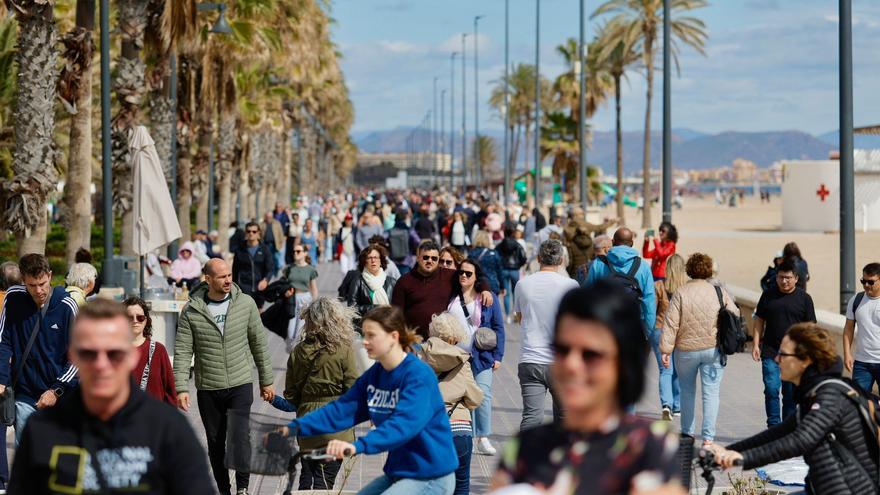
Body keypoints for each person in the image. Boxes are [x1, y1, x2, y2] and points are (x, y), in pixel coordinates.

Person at [492, 282, 683, 495]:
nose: (571, 365)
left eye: (590, 354)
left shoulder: (649, 447)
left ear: (623, 364)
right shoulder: (525, 447)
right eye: (562, 350)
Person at [8, 299, 214, 495]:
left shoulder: (168, 430)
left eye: (114, 353)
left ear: (131, 356)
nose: (101, 364)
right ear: (73, 356)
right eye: (89, 353)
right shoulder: (42, 430)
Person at [282, 306, 458, 495]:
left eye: (371, 335)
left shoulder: (418, 376)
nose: (364, 342)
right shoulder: (376, 375)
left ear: (394, 336)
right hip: (398, 473)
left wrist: (356, 446)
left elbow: (403, 426)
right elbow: (341, 410)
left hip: (430, 476)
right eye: (364, 335)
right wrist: (295, 428)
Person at [709, 324, 879, 494]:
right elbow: (776, 434)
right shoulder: (813, 394)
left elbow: (801, 439)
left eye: (783, 354)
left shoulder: (830, 395)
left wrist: (744, 459)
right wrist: (729, 451)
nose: (777, 359)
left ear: (805, 360)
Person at [173, 259, 275, 495]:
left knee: (240, 437)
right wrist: (181, 388)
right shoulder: (191, 310)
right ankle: (224, 490)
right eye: (222, 277)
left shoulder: (245, 303)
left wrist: (266, 379)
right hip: (209, 386)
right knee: (216, 443)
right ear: (207, 279)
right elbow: (183, 351)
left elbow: (259, 343)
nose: (228, 280)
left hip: (240, 382)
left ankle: (243, 488)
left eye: (229, 275)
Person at [272, 297, 359, 491]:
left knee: (307, 476)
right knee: (325, 481)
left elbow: (291, 395)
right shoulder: (344, 350)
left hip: (307, 423)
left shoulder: (299, 351)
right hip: (335, 423)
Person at [660, 253, 738, 447]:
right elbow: (735, 312)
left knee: (687, 391)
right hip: (712, 349)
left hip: (685, 350)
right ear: (708, 270)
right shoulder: (718, 291)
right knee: (711, 393)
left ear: (689, 270)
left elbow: (671, 324)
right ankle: (708, 439)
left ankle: (687, 434)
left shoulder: (681, 292)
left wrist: (665, 350)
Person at [0, 254, 79, 445]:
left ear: (50, 276)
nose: (39, 290)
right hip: (24, 394)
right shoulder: (13, 298)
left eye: (42, 283)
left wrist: (56, 390)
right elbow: (3, 342)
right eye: (32, 285)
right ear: (23, 280)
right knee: (28, 456)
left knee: (56, 458)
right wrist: (1, 379)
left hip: (59, 396)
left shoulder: (67, 306)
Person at [514, 240, 579, 430]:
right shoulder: (571, 285)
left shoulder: (523, 284)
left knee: (531, 417)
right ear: (561, 260)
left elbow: (520, 317)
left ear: (539, 258)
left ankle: (527, 457)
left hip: (530, 358)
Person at [420, 313, 484, 495]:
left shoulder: (417, 358)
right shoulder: (462, 361)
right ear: (453, 337)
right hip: (458, 430)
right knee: (461, 484)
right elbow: (476, 398)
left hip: (428, 431)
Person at [447, 259, 505, 456]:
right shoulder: (451, 296)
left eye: (468, 273)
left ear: (476, 277)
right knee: (461, 397)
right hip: (456, 357)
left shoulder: (487, 298)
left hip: (482, 356)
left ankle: (483, 437)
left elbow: (498, 327)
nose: (463, 275)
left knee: (483, 395)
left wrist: (498, 356)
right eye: (461, 272)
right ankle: (466, 437)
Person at [753, 258, 816, 427]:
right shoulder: (768, 295)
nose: (784, 281)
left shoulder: (805, 299)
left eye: (788, 277)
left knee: (790, 393)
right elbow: (759, 319)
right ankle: (773, 426)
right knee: (772, 389)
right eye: (781, 277)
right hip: (771, 350)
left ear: (796, 278)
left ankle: (787, 427)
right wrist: (756, 344)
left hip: (794, 354)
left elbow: (811, 327)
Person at [391, 240, 493, 340]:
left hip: (441, 342)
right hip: (415, 341)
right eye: (425, 257)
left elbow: (474, 277)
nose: (430, 261)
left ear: (438, 259)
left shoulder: (448, 275)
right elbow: (396, 314)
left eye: (434, 258)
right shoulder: (404, 281)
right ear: (417, 258)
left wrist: (485, 290)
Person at [586, 227, 657, 333]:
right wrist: (648, 330)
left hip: (605, 327)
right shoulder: (643, 266)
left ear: (612, 242)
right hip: (633, 326)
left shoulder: (599, 264)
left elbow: (587, 295)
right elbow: (649, 300)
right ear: (632, 243)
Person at [124, 297, 176, 406]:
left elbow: (170, 389)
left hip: (155, 418)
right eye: (129, 317)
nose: (135, 321)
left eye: (140, 317)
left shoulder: (159, 350)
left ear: (146, 320)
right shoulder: (115, 351)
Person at [652, 254, 684, 420]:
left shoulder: (658, 286)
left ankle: (667, 405)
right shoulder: (685, 288)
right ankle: (677, 406)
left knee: (665, 369)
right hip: (679, 332)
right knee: (677, 370)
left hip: (660, 329)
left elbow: (652, 311)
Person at [341, 245, 397, 332]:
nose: (373, 260)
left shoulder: (391, 282)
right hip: (365, 329)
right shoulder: (357, 281)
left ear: (381, 261)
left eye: (376, 257)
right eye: (369, 258)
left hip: (388, 327)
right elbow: (352, 308)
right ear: (364, 262)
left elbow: (398, 307)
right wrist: (377, 308)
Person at [843, 262, 880, 394]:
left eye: (870, 282)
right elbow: (848, 328)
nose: (866, 285)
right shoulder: (856, 300)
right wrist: (847, 354)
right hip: (861, 364)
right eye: (863, 281)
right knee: (858, 403)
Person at [283, 243, 320, 350]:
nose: (295, 253)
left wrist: (314, 303)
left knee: (300, 332)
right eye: (294, 251)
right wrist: (284, 292)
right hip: (291, 300)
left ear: (305, 253)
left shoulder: (310, 270)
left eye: (298, 251)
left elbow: (314, 288)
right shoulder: (289, 268)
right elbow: (283, 284)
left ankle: (295, 357)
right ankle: (290, 348)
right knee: (290, 332)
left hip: (305, 299)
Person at [563, 208, 616, 278]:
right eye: (581, 213)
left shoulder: (567, 227)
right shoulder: (585, 226)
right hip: (587, 269)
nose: (583, 215)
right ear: (577, 215)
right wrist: (612, 222)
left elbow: (570, 261)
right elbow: (599, 227)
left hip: (574, 271)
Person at [231, 221, 273, 308]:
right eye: (248, 231)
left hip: (259, 288)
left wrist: (266, 280)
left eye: (254, 231)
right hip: (244, 287)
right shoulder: (239, 250)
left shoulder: (265, 249)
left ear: (258, 233)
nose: (251, 234)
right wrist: (234, 287)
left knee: (259, 314)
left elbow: (270, 268)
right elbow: (235, 269)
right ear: (246, 233)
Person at [494, 226, 527, 316]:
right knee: (515, 292)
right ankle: (516, 313)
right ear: (512, 234)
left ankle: (508, 314)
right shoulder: (517, 244)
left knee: (506, 293)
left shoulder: (500, 245)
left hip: (504, 270)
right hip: (514, 270)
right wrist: (518, 265)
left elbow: (495, 257)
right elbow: (523, 257)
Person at [469, 230, 504, 295]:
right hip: (492, 285)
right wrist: (502, 286)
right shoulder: (493, 253)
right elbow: (499, 272)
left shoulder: (471, 253)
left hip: (477, 285)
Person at [386, 209, 421, 275]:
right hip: (406, 261)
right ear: (405, 218)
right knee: (406, 283)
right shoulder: (409, 231)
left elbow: (383, 240)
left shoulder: (390, 231)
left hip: (393, 262)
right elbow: (418, 241)